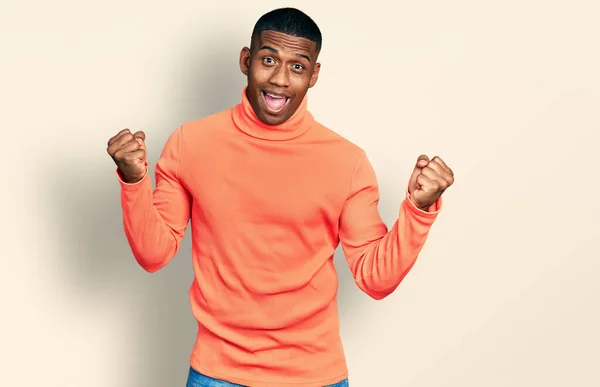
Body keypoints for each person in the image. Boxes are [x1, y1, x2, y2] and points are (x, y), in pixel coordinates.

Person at [106, 7, 454, 387]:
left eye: (297, 67)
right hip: (217, 374)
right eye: (268, 60)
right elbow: (154, 255)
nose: (279, 80)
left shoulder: (346, 161)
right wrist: (133, 180)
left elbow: (375, 278)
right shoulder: (191, 144)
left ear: (314, 75)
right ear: (245, 60)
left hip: (315, 377)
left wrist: (418, 210)